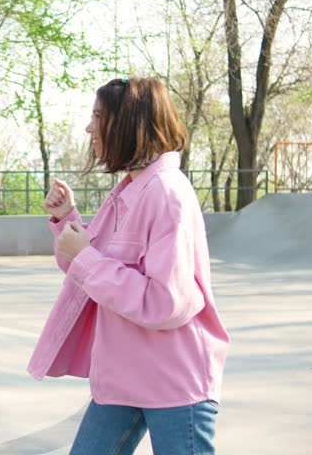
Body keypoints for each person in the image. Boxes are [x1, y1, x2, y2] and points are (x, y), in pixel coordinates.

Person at [27, 77, 229, 454]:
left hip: (173, 380)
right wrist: (67, 219)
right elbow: (90, 266)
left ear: (129, 125)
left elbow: (166, 301)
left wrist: (85, 257)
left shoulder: (167, 194)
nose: (89, 127)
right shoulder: (129, 190)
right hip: (124, 375)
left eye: (98, 116)